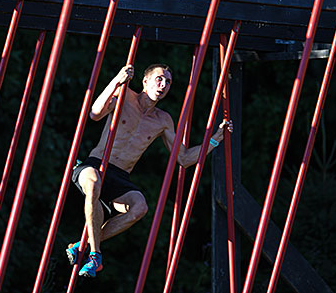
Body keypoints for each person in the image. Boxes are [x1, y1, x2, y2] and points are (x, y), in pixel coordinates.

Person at [67, 64, 233, 278]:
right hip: (96, 164)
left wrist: (214, 140)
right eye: (159, 79)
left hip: (120, 176)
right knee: (94, 183)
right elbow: (95, 113)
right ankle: (95, 255)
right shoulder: (124, 94)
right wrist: (116, 79)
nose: (163, 85)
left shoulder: (163, 120)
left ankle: (82, 244)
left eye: (168, 82)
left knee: (140, 207)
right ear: (145, 81)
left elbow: (183, 158)